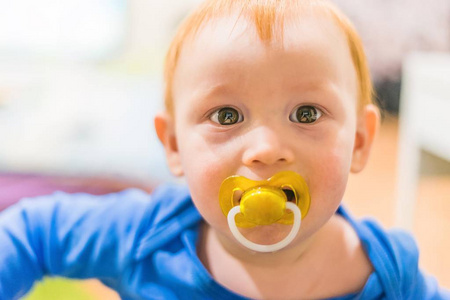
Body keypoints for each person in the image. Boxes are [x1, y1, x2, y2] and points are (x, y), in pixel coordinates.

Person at [1, 0, 449, 299]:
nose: (267, 150)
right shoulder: (145, 237)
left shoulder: (393, 275)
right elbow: (32, 233)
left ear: (359, 141)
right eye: (227, 116)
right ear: (174, 145)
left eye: (308, 114)